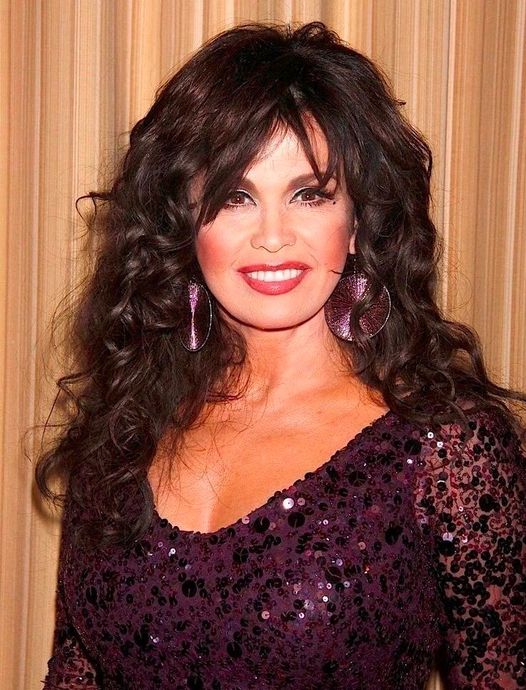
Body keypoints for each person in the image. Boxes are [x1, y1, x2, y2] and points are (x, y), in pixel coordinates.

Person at [36, 20, 526, 690]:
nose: (272, 236)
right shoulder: (124, 426)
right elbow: (76, 665)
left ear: (357, 220)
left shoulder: (449, 450)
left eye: (309, 194)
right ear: (185, 223)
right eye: (234, 197)